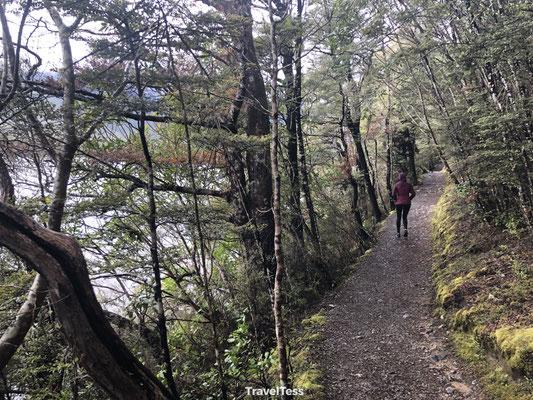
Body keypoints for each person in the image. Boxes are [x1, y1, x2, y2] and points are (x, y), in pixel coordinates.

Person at [392, 172, 416, 238]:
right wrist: (409, 199)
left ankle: (398, 233)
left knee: (398, 217)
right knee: (404, 217)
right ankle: (405, 229)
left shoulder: (396, 185)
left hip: (398, 203)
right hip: (407, 203)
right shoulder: (409, 185)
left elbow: (393, 194)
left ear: (399, 178)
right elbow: (413, 194)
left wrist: (395, 200)